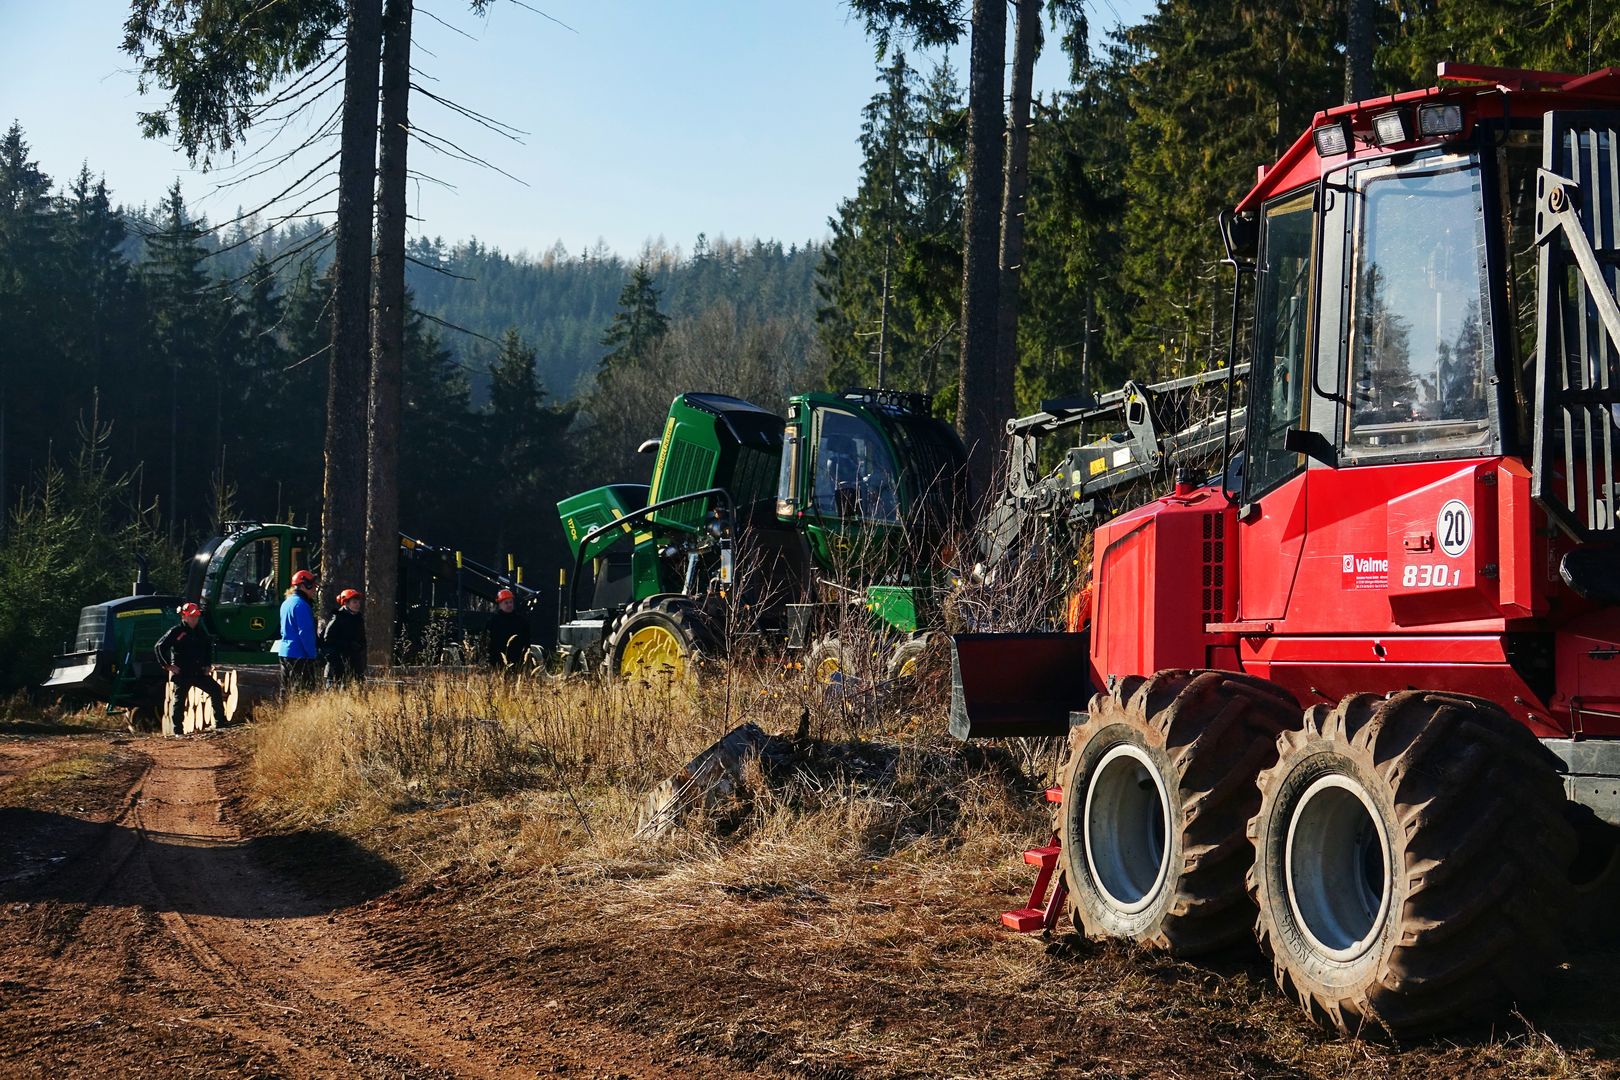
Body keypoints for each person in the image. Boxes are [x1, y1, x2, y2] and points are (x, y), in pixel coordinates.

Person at [153, 602, 227, 735]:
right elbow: (159, 647)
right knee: (179, 701)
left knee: (215, 689)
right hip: (183, 673)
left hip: (198, 672)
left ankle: (220, 724)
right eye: (192, 617)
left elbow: (207, 648)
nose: (194, 619)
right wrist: (167, 665)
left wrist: (207, 665)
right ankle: (178, 731)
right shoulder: (176, 631)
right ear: (184, 617)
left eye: (196, 617)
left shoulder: (200, 632)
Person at [274, 569, 321, 696]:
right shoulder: (301, 605)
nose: (314, 590)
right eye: (312, 586)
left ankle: (284, 714)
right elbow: (305, 633)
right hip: (299, 654)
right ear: (304, 585)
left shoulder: (286, 603)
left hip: (284, 652)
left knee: (285, 690)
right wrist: (312, 654)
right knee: (303, 691)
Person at [321, 588, 367, 686]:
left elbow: (362, 639)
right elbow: (327, 641)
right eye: (354, 602)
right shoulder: (337, 619)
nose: (358, 605)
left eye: (358, 602)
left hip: (354, 664)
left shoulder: (359, 619)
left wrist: (360, 648)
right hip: (337, 665)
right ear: (346, 603)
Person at [485, 588, 531, 672]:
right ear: (499, 604)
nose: (509, 605)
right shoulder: (493, 621)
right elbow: (487, 642)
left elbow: (527, 640)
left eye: (511, 602)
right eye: (506, 603)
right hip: (498, 663)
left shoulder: (521, 621)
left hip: (517, 663)